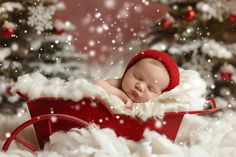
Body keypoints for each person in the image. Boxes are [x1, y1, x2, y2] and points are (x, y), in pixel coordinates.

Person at [94, 49, 180, 108]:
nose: (140, 86)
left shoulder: (151, 108)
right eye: (137, 77)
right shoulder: (117, 84)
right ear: (127, 71)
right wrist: (121, 96)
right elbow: (96, 84)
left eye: (151, 89)